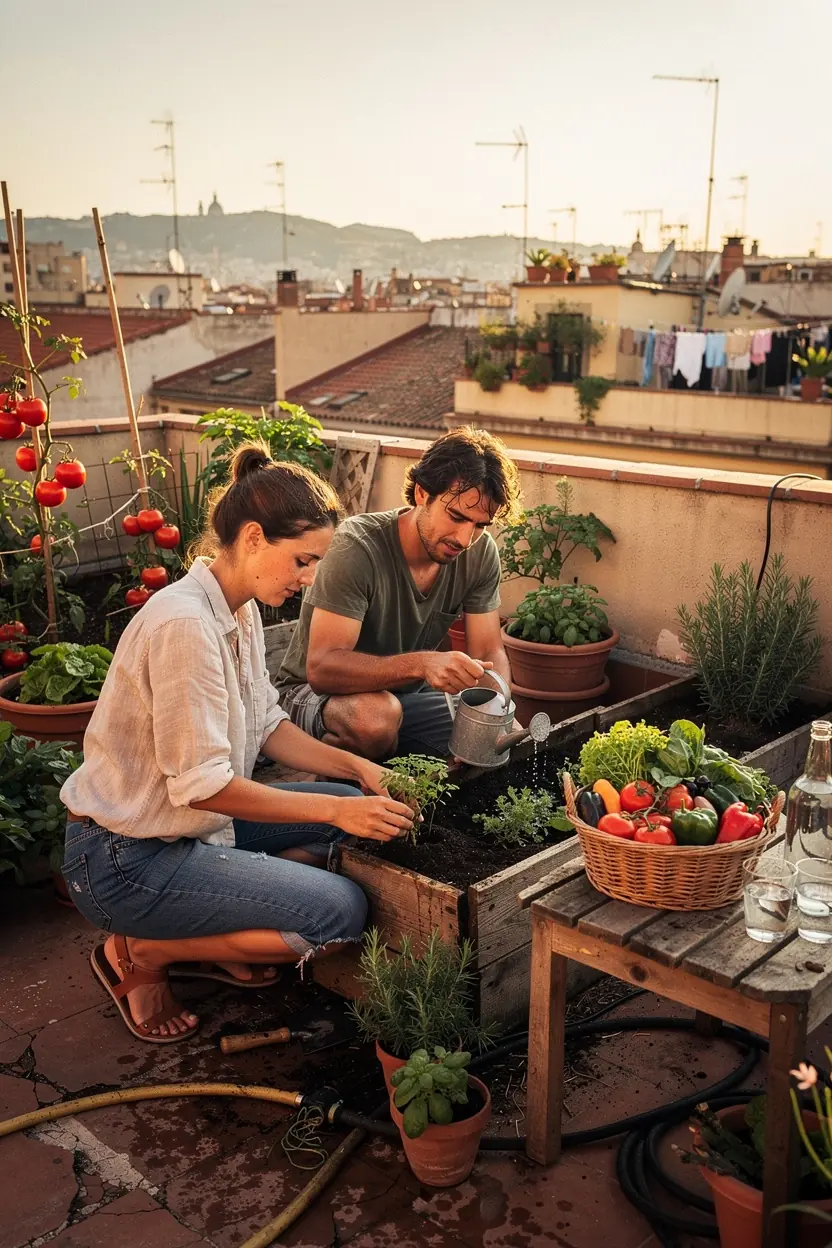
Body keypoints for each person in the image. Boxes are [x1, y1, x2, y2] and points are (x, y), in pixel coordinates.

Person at [60, 443, 414, 1044]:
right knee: (340, 913)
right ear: (253, 538)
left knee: (348, 820)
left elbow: (266, 725)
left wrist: (357, 772)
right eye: (303, 562)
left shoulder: (237, 608)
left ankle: (220, 919)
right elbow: (204, 788)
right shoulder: (185, 627)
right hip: (124, 859)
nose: (307, 583)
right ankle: (145, 951)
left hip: (184, 832)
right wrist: (335, 805)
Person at [277, 426, 523, 759]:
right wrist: (423, 664)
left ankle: (380, 761)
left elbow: (489, 650)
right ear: (422, 494)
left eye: (480, 525)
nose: (465, 539)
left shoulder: (478, 554)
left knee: (504, 734)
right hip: (312, 696)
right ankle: (330, 771)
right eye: (456, 516)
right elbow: (322, 669)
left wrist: (497, 708)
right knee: (375, 720)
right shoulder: (356, 547)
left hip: (405, 698)